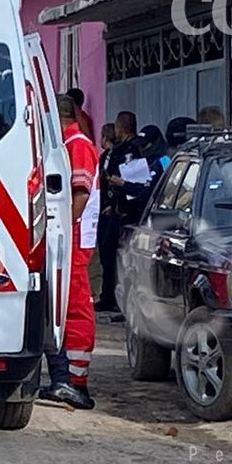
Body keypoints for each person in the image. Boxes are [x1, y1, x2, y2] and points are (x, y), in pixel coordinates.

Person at [40, 95, 101, 410]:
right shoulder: (72, 144)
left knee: (75, 307)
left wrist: (61, 225)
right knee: (66, 306)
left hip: (74, 240)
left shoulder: (77, 145)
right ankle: (66, 379)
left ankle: (76, 384)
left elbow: (80, 192)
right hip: (72, 238)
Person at [94, 112, 138, 315]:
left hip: (119, 212)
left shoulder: (121, 153)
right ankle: (111, 297)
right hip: (125, 210)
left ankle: (110, 297)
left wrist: (112, 203)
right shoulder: (134, 149)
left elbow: (117, 183)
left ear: (121, 128)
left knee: (111, 255)